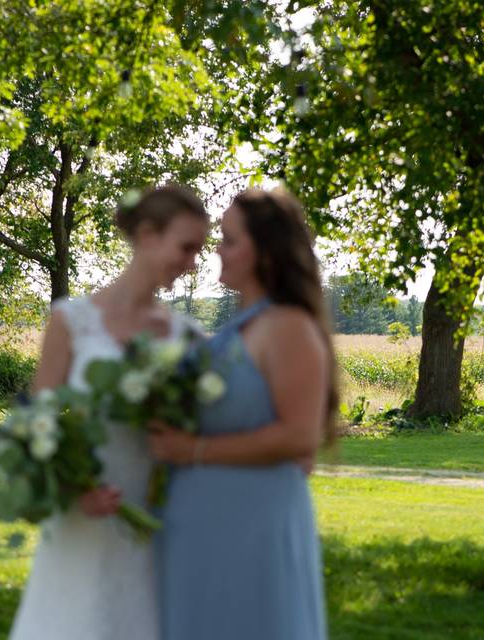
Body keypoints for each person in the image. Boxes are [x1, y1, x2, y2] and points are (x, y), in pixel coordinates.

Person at [9, 186, 209, 640]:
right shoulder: (71, 320)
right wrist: (72, 490)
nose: (193, 262)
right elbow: (34, 425)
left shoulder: (187, 337)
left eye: (198, 250)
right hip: (82, 517)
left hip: (154, 516)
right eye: (187, 247)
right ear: (147, 234)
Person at [150, 187, 337, 640]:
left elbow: (300, 438)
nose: (217, 248)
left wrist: (191, 449)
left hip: (252, 527)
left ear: (266, 252)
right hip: (203, 527)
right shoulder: (235, 330)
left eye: (230, 240)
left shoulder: (288, 326)